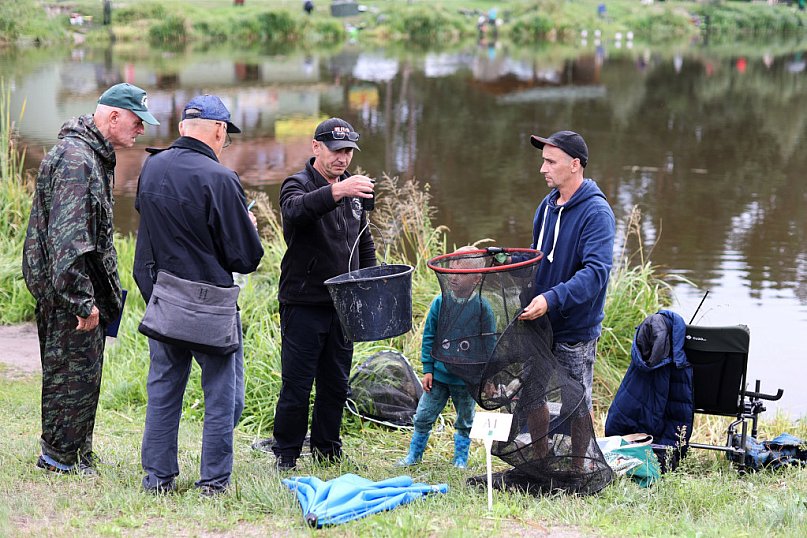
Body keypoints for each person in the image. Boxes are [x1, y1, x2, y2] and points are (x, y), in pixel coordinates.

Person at [22, 82, 159, 475]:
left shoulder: (91, 154)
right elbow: (68, 242)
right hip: (69, 293)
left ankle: (77, 451)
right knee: (70, 375)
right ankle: (59, 459)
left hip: (79, 289)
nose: (141, 129)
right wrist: (82, 300)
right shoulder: (76, 160)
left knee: (82, 374)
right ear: (113, 116)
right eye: (136, 121)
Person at [133, 95, 264, 495]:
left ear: (181, 128)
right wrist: (248, 225)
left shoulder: (152, 166)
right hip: (210, 306)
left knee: (163, 390)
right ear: (220, 131)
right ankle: (213, 482)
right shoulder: (221, 179)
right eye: (227, 135)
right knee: (223, 398)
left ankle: (157, 478)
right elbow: (245, 257)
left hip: (164, 298)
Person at [272, 117, 377, 471]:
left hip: (343, 306)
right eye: (336, 150)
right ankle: (286, 453)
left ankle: (327, 450)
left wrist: (370, 284)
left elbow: (364, 240)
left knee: (335, 384)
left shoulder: (352, 187)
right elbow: (295, 211)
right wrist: (338, 191)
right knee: (297, 384)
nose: (342, 158)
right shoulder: (296, 184)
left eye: (348, 151)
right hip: (304, 302)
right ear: (316, 147)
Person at [518, 130, 615, 465]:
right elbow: (537, 255)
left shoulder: (597, 213)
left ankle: (578, 468)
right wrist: (508, 263)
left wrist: (552, 298)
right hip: (539, 321)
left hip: (575, 327)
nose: (542, 168)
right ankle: (541, 461)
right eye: (543, 161)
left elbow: (595, 274)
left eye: (551, 162)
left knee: (577, 402)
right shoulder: (547, 206)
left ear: (575, 164)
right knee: (532, 394)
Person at [398, 247, 495, 469]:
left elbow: (489, 345)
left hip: (467, 380)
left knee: (465, 420)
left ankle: (460, 459)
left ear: (476, 278)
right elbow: (429, 337)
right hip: (439, 376)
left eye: (460, 274)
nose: (453, 277)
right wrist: (428, 369)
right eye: (450, 271)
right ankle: (414, 455)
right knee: (423, 415)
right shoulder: (440, 303)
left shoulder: (482, 307)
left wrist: (488, 377)